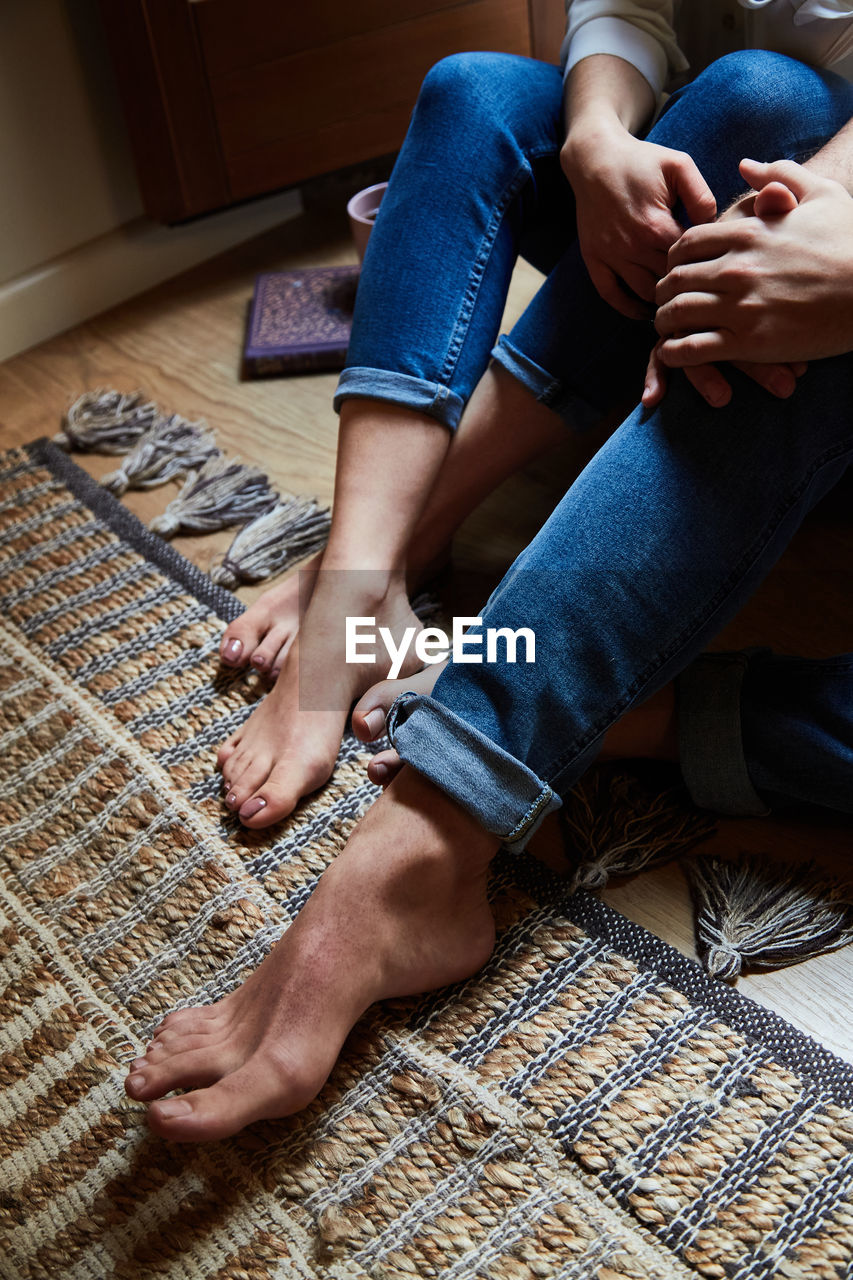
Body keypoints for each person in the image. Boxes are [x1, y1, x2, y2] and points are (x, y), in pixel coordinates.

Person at [123, 7, 853, 1138]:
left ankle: (423, 839)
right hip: (707, 241)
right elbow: (634, 11)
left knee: (775, 126)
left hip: (792, 346)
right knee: (687, 100)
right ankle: (367, 571)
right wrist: (597, 136)